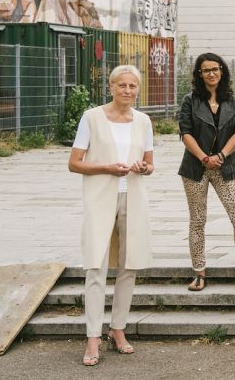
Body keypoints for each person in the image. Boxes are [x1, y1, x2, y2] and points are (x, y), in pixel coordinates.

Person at [67, 65, 155, 366]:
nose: (127, 91)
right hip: (100, 198)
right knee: (96, 266)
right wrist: (106, 167)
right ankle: (93, 336)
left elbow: (150, 162)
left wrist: (144, 168)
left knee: (129, 266)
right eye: (122, 85)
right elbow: (74, 163)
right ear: (111, 86)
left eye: (133, 86)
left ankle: (117, 329)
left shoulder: (143, 121)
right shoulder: (92, 118)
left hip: (133, 197)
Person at [177, 53, 235, 291]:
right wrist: (204, 157)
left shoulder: (233, 101)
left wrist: (220, 156)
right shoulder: (190, 100)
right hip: (195, 167)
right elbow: (185, 132)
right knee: (197, 220)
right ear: (199, 74)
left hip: (224, 166)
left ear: (222, 71)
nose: (211, 74)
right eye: (206, 70)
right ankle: (199, 272)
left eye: (215, 69)